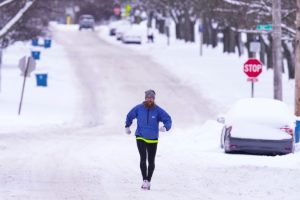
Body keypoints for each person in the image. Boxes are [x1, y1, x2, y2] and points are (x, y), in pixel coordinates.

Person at [125, 89, 172, 190]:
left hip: (153, 138)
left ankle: (149, 180)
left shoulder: (158, 110)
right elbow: (129, 116)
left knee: (151, 160)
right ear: (145, 98)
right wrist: (127, 126)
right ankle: (144, 180)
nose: (149, 99)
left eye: (151, 98)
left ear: (154, 99)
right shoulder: (139, 108)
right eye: (147, 98)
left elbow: (168, 119)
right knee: (143, 158)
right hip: (140, 136)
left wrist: (166, 127)